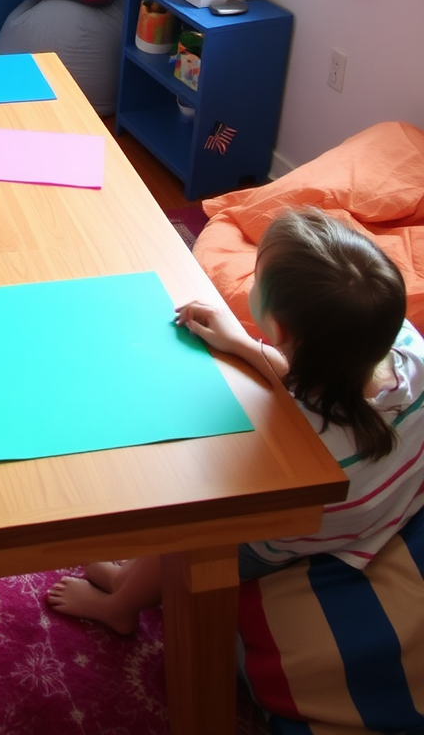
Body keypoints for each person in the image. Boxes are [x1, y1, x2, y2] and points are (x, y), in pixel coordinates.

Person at [47, 208, 424, 632]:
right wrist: (244, 345)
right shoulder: (405, 345)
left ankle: (122, 605)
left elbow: (213, 492)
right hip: (385, 502)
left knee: (189, 532)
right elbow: (323, 382)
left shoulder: (300, 441)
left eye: (258, 277)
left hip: (298, 536)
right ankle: (125, 576)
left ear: (278, 327)